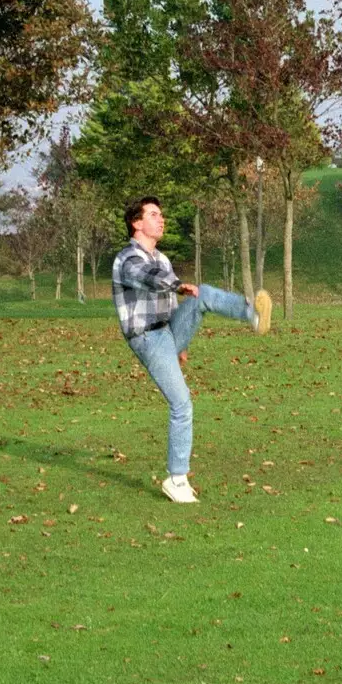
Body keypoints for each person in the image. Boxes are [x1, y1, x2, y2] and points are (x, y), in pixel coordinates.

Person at [112, 195, 270, 503]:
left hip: (168, 333)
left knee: (205, 294)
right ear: (137, 223)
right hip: (147, 338)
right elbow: (146, 278)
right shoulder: (127, 259)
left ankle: (253, 316)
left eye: (161, 214)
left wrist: (180, 343)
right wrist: (177, 285)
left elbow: (173, 305)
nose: (162, 219)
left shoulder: (163, 259)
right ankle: (177, 480)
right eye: (154, 214)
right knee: (181, 404)